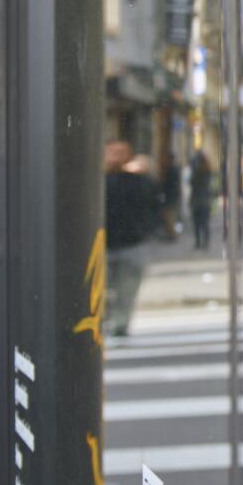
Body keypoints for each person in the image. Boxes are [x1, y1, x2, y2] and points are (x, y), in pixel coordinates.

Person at [102, 140, 156, 338]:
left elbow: (154, 199)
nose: (115, 156)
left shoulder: (138, 180)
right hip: (103, 247)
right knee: (101, 293)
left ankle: (120, 326)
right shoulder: (98, 180)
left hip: (132, 244)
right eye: (111, 152)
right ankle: (106, 325)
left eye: (120, 152)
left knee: (126, 292)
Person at [187, 151, 213, 251]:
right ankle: (205, 241)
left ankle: (198, 242)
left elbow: (191, 183)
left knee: (197, 223)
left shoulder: (196, 172)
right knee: (205, 222)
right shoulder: (207, 171)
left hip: (196, 200)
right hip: (205, 200)